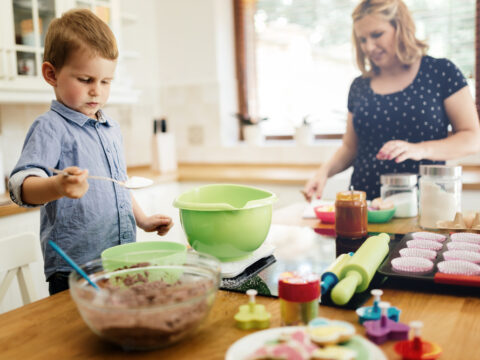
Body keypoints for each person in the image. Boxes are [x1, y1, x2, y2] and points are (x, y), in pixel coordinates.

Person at [9, 9, 173, 295]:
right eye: (86, 80)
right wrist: (57, 186)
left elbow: (118, 184)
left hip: (122, 262)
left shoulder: (111, 128)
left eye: (106, 82)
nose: (97, 91)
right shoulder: (50, 127)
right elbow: (21, 186)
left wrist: (143, 220)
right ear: (51, 74)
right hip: (75, 269)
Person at [304, 0, 480, 201]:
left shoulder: (441, 72)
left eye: (377, 35)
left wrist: (419, 149)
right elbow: (350, 147)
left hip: (424, 204)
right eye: (362, 39)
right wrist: (323, 172)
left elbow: (472, 138)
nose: (369, 47)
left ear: (401, 28)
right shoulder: (359, 86)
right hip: (366, 207)